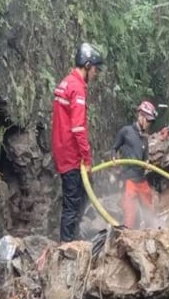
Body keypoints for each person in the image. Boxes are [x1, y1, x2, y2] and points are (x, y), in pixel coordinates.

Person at [52, 43, 103, 242]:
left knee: (80, 197)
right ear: (88, 65)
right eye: (96, 69)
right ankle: (67, 246)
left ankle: (73, 239)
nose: (96, 74)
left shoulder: (66, 82)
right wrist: (87, 158)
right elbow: (78, 128)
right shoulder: (77, 88)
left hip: (62, 150)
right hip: (71, 154)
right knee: (73, 203)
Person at [111, 101, 158, 229]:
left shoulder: (144, 139)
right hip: (129, 180)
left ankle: (151, 232)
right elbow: (114, 148)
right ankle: (127, 236)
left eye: (150, 122)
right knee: (130, 214)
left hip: (141, 179)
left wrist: (147, 163)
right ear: (140, 116)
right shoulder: (126, 131)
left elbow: (146, 158)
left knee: (149, 209)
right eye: (148, 120)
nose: (149, 124)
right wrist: (114, 158)